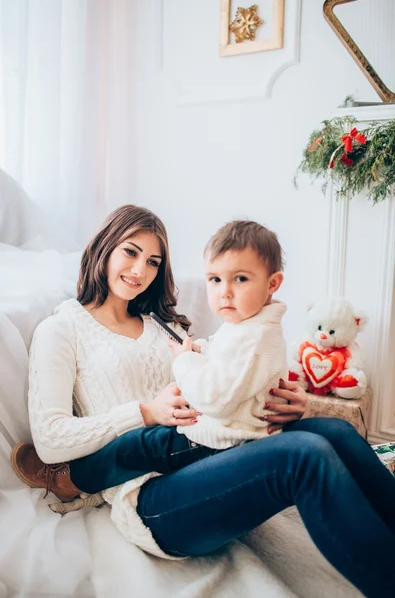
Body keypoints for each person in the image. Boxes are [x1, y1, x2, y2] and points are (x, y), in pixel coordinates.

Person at [10, 205, 395, 598]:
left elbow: (234, 368)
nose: (140, 270)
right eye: (130, 252)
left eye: (153, 261)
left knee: (335, 431)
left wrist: (288, 397)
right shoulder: (62, 329)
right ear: (104, 247)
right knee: (303, 455)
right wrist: (143, 412)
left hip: (207, 451)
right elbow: (50, 439)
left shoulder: (163, 327)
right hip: (152, 498)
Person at [168, 219, 289, 450]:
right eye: (215, 279)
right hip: (229, 437)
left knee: (138, 447)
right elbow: (230, 359)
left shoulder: (254, 336)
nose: (225, 292)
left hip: (223, 444)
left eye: (240, 278)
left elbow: (213, 399)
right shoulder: (247, 324)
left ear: (272, 283)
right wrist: (201, 350)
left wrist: (184, 360)